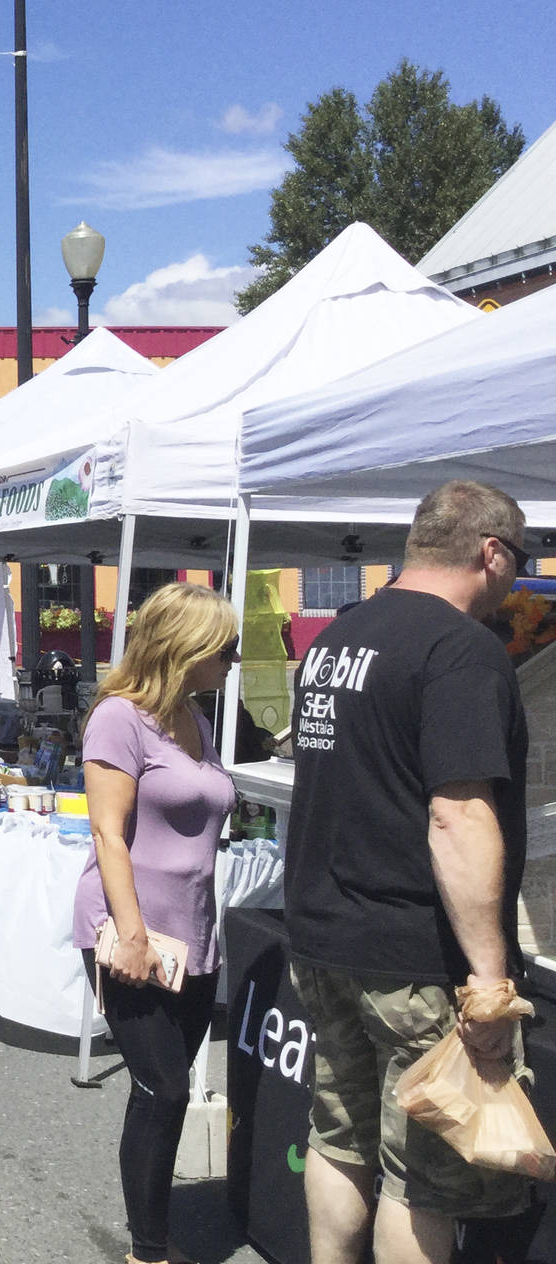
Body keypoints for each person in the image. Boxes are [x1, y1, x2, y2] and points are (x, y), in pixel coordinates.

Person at [286, 481, 534, 1263]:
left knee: (341, 1136)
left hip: (325, 932)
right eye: (521, 563)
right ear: (490, 552)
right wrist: (490, 980)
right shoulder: (460, 648)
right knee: (420, 1179)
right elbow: (456, 815)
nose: (520, 583)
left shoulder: (339, 637)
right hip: (411, 955)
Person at [70, 582, 240, 1264]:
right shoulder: (120, 718)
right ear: (183, 647)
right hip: (130, 932)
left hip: (194, 936)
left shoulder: (197, 719)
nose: (233, 657)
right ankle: (147, 1250)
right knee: (162, 1086)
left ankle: (155, 1231)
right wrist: (132, 934)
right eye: (223, 646)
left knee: (165, 1094)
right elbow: (110, 835)